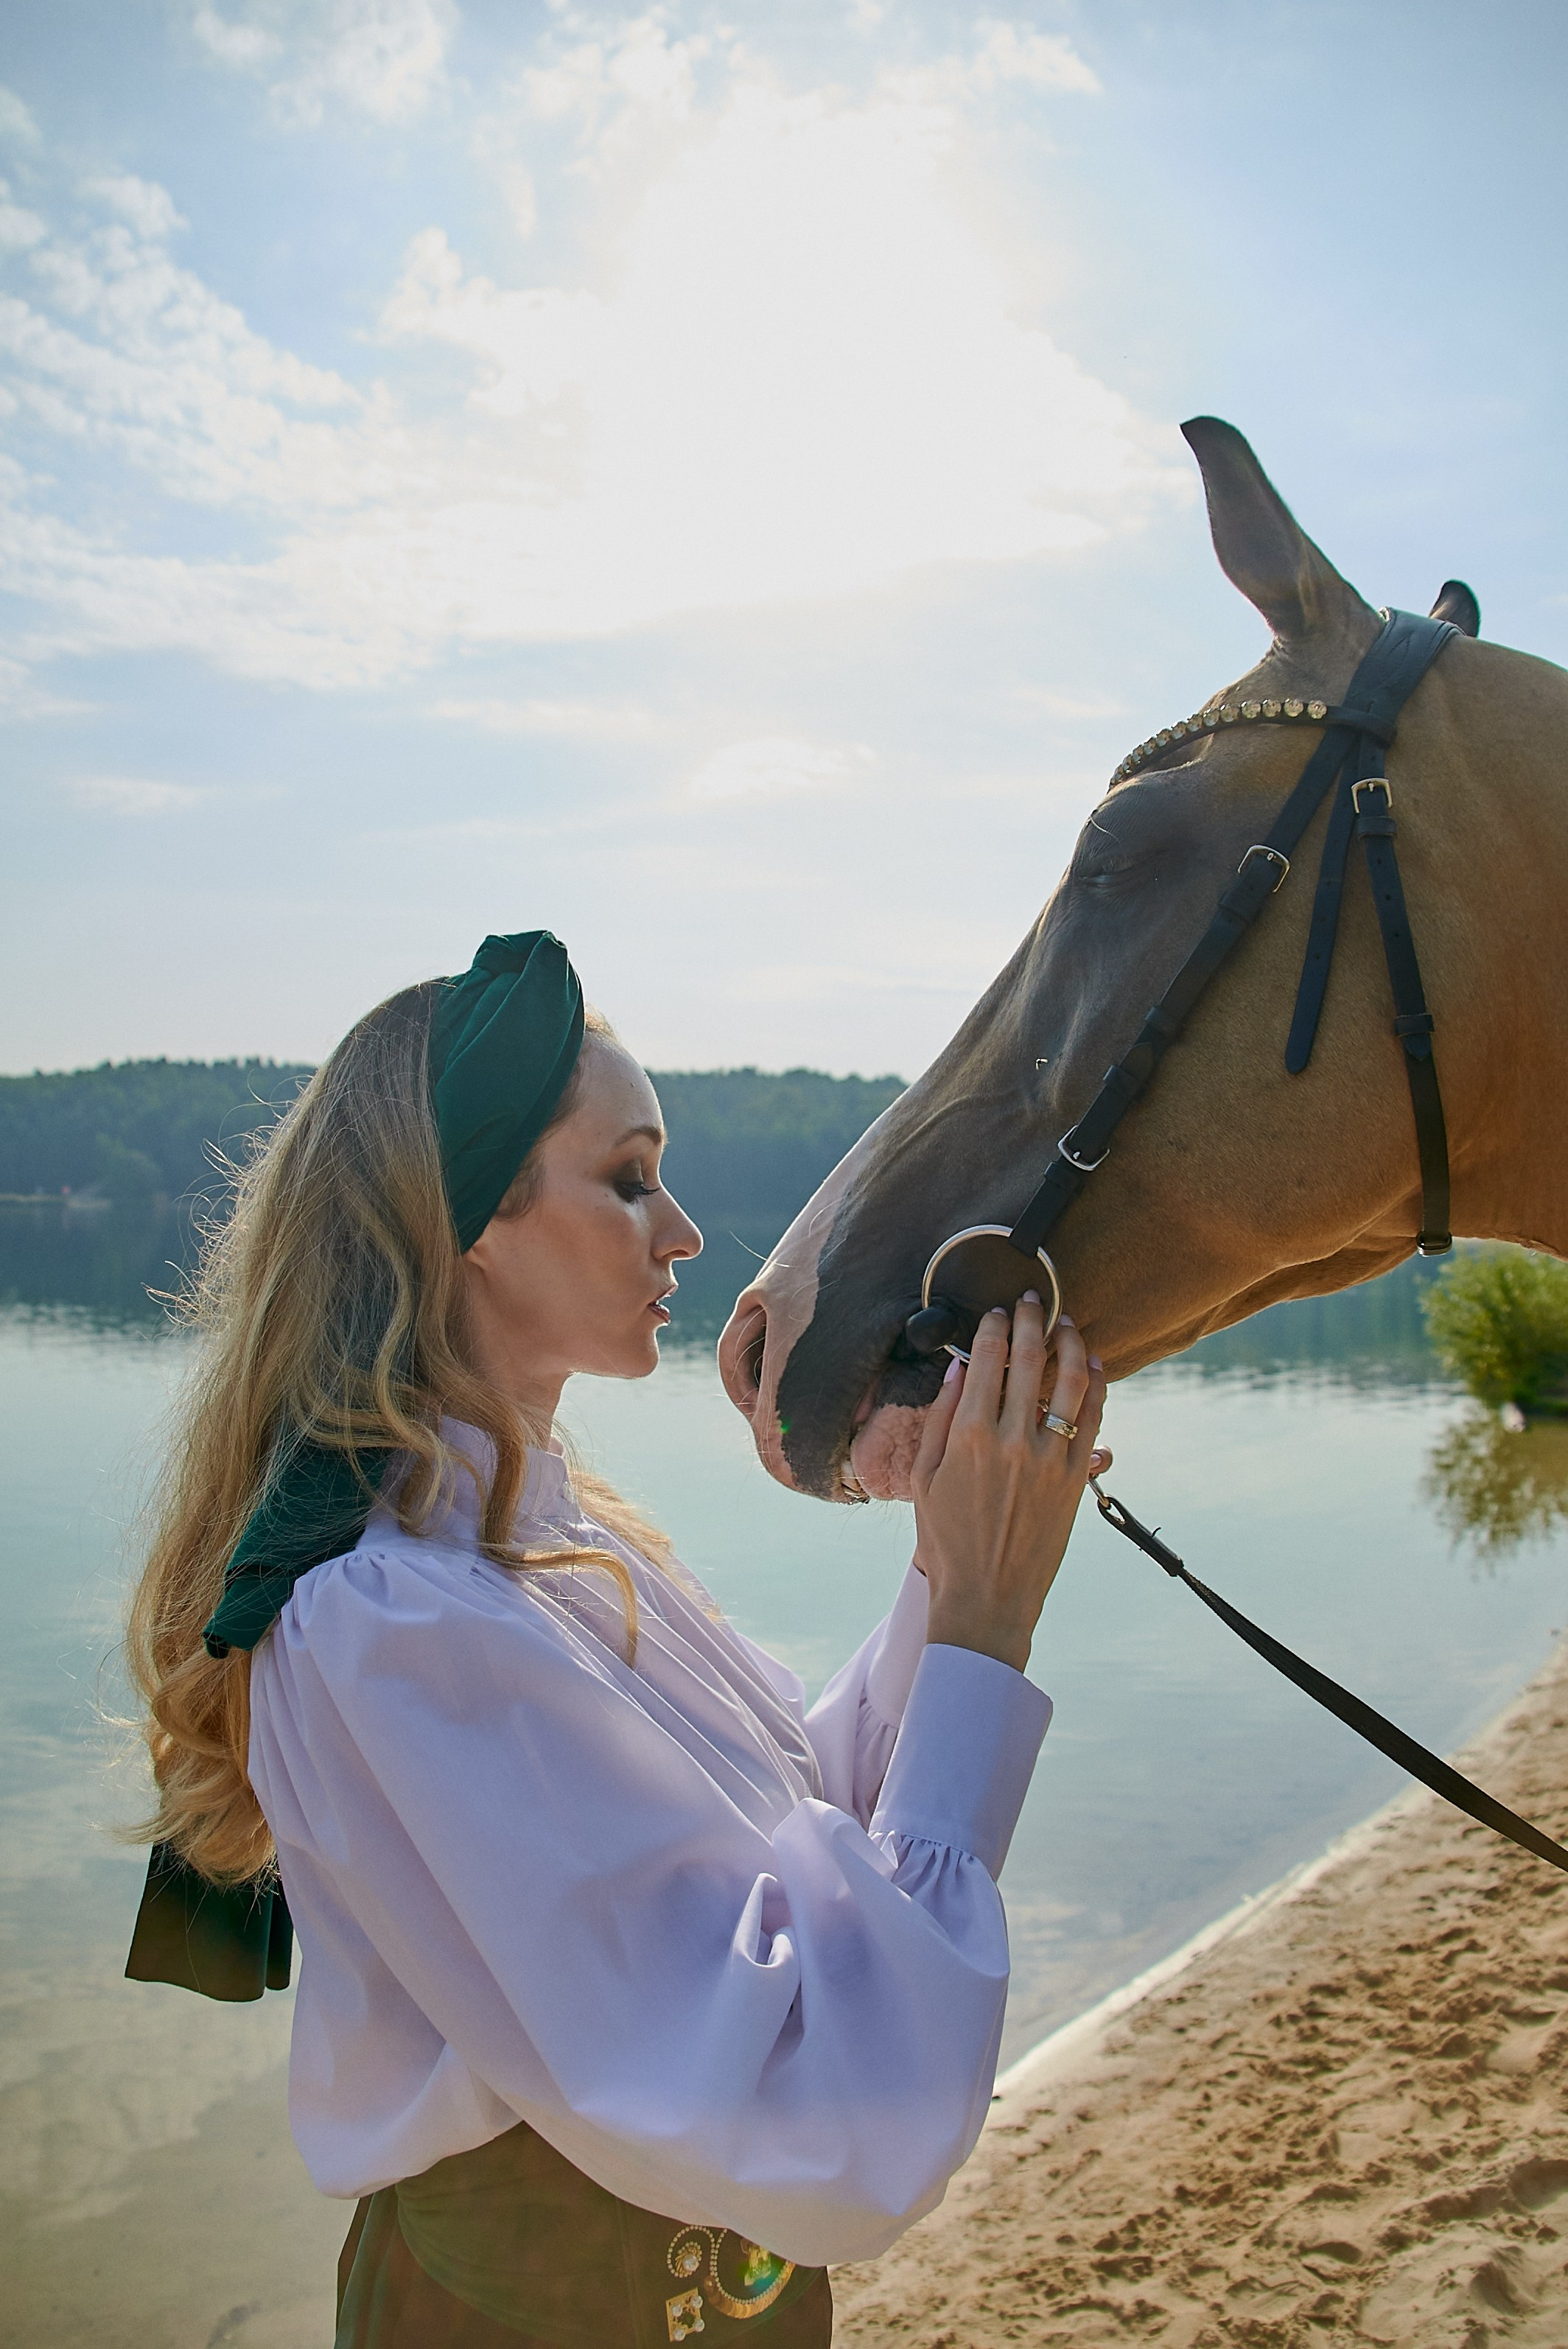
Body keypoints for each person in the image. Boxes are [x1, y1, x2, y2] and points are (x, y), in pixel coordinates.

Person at [123, 931, 1107, 2349]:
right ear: (464, 1217)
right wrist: (979, 1626)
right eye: (631, 1178)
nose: (684, 1232)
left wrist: (957, 1569)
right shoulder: (389, 1616)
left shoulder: (545, 1541)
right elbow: (833, 2110)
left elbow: (800, 1831)